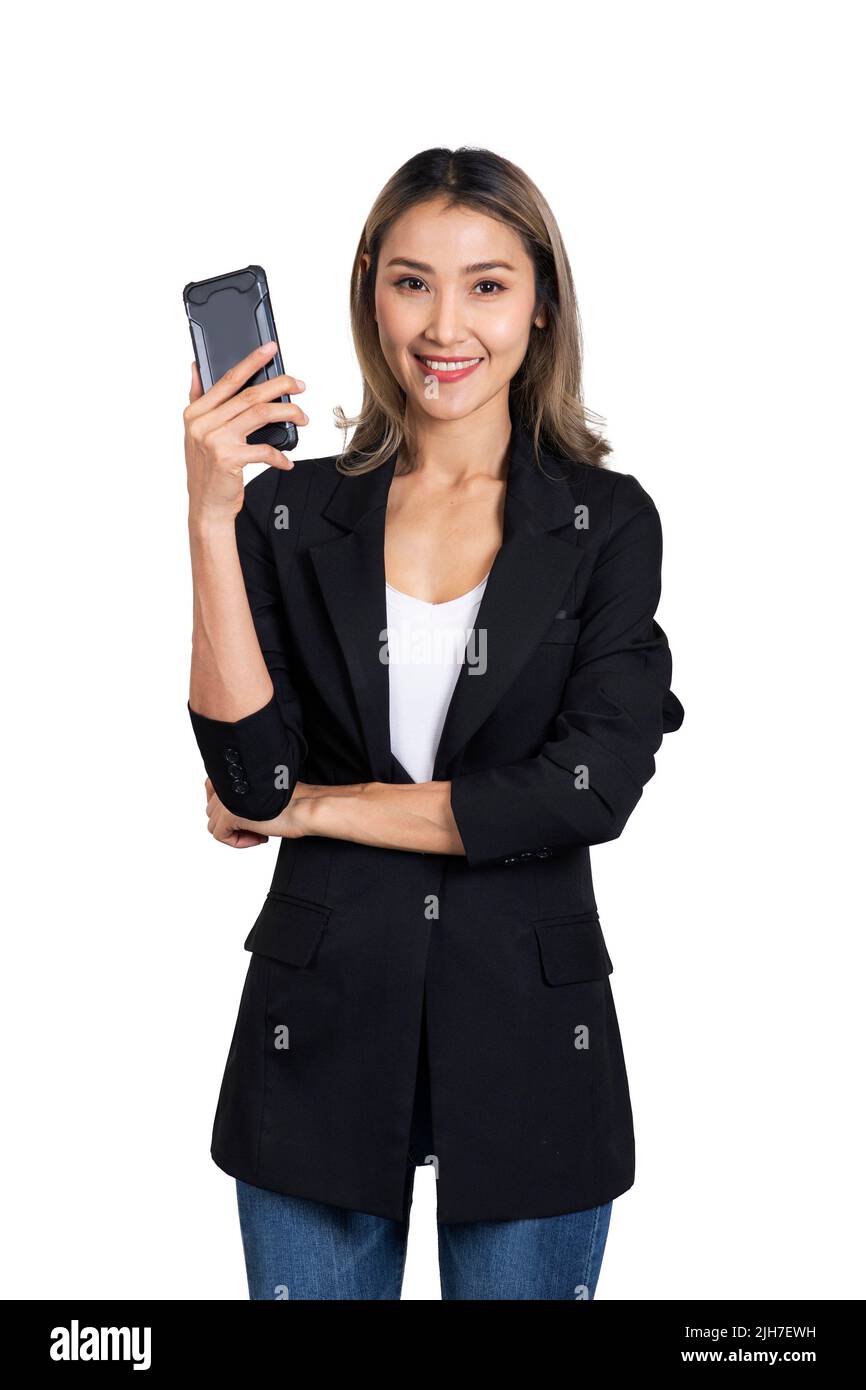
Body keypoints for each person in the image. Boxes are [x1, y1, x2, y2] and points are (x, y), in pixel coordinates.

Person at [184, 146, 684, 1300]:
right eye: (410, 281)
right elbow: (247, 771)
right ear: (368, 289)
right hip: (316, 1032)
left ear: (540, 302)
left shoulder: (603, 525)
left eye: (486, 284)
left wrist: (314, 806)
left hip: (529, 1044)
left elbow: (582, 791)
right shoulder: (291, 513)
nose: (443, 326)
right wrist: (213, 520)